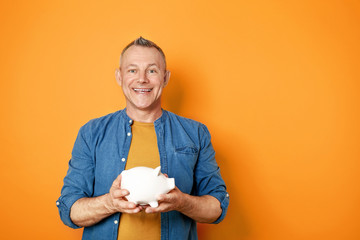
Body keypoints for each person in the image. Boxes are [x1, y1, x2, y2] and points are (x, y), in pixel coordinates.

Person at [56, 37, 229, 240]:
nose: (142, 79)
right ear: (119, 77)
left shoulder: (195, 133)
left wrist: (181, 202)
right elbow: (69, 210)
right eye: (132, 70)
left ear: (165, 78)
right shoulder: (91, 133)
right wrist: (110, 203)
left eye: (152, 70)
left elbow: (217, 207)